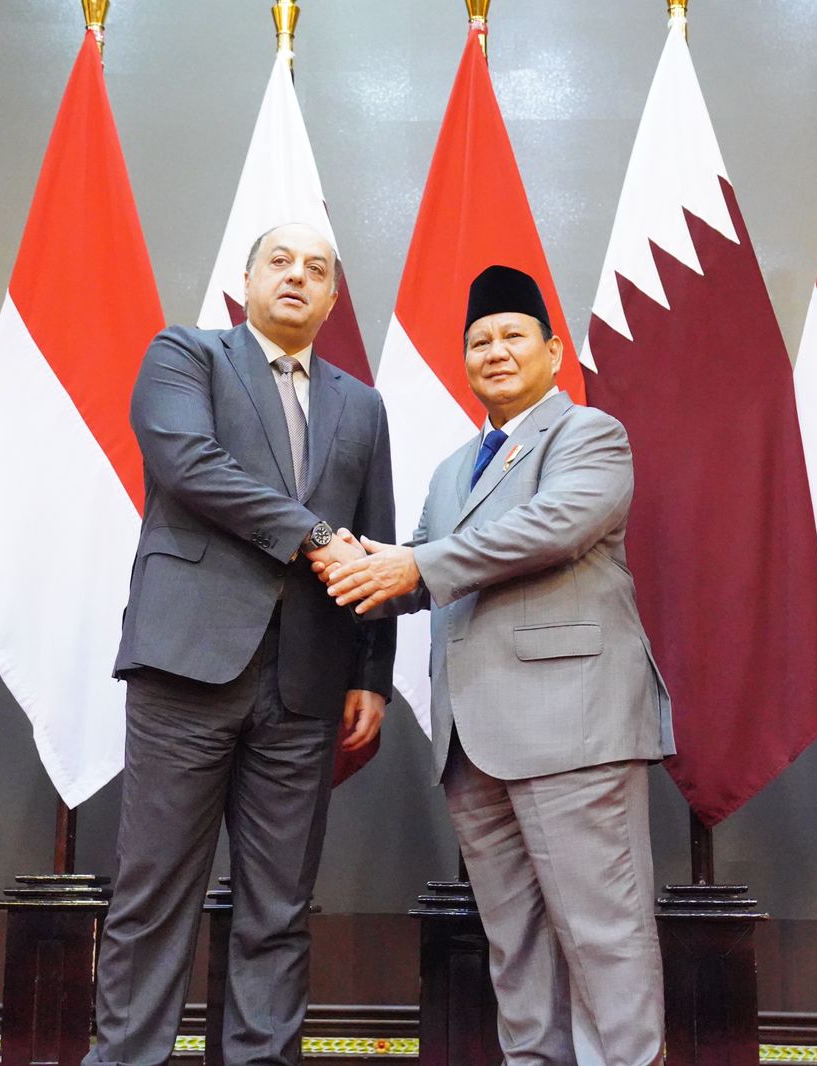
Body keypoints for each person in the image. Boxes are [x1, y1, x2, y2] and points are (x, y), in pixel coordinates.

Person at [321, 265, 674, 1066]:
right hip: (473, 745)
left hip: (573, 733)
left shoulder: (589, 435)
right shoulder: (455, 468)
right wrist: (349, 563)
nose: (496, 351)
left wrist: (413, 564)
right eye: (479, 342)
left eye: (514, 335)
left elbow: (552, 527)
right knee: (517, 951)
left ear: (553, 352)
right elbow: (417, 573)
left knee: (604, 941)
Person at [89, 223, 395, 1066]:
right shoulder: (186, 355)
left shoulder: (363, 406)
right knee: (154, 895)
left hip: (308, 680)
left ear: (332, 300)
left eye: (317, 269)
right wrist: (311, 534)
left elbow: (374, 537)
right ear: (248, 279)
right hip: (188, 664)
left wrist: (372, 671)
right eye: (280, 262)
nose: (297, 275)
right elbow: (188, 464)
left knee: (279, 907)